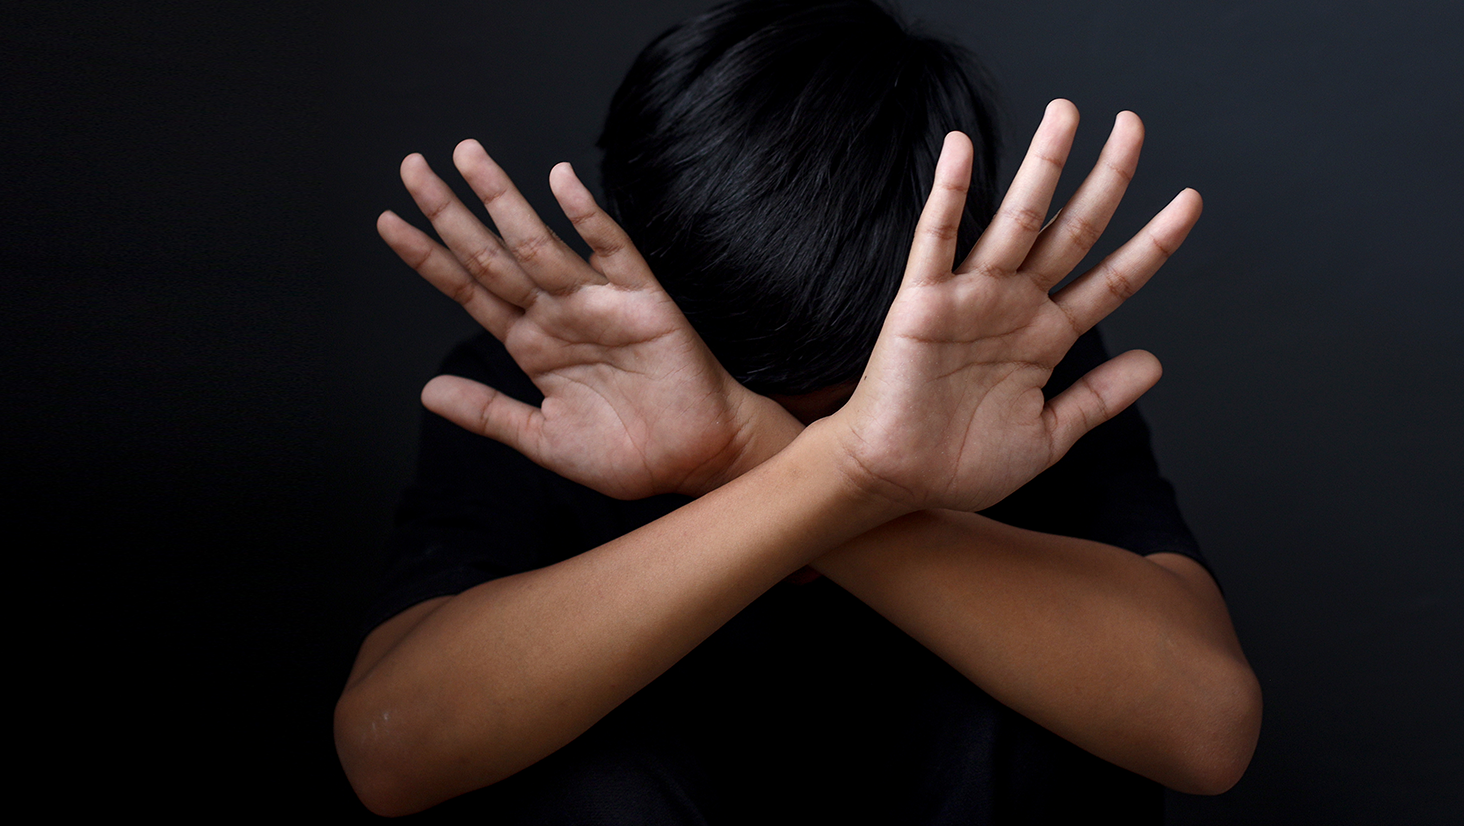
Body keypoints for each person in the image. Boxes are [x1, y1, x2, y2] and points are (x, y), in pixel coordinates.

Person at [335, 0, 1261, 820]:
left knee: (1035, 727)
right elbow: (391, 753)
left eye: (841, 401)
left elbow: (1206, 732)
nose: (822, 426)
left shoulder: (1010, 366)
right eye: (761, 398)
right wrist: (834, 473)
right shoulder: (549, 381)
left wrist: (763, 457)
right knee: (585, 761)